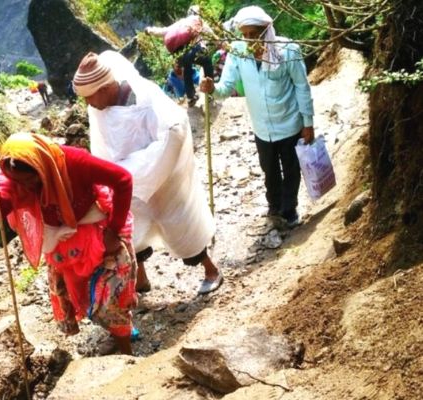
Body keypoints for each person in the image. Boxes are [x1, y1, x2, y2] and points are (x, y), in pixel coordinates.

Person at [73, 51, 223, 296]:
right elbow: (102, 146)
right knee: (132, 227)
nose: (88, 104)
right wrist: (114, 176)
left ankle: (211, 270)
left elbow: (174, 129)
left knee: (179, 222)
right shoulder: (98, 109)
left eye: (90, 98)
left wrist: (142, 168)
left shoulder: (144, 97)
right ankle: (140, 278)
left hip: (162, 177)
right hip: (126, 182)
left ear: (104, 88)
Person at [0, 132, 138, 355]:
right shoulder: (13, 177)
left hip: (97, 235)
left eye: (32, 180)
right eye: (21, 182)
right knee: (84, 297)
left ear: (42, 166)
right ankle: (117, 332)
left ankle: (126, 351)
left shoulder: (73, 161)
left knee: (111, 298)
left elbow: (123, 180)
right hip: (63, 246)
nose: (29, 188)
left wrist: (114, 229)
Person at [200, 5, 315, 227]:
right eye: (245, 35)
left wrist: (308, 123)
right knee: (269, 171)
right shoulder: (238, 52)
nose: (250, 40)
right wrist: (212, 88)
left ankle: (289, 210)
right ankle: (274, 205)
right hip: (262, 129)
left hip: (290, 124)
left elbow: (302, 87)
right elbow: (225, 88)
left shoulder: (288, 50)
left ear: (266, 30)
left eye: (254, 34)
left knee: (291, 170)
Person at [145, 5, 214, 107]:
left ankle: (191, 97)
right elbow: (210, 34)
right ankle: (210, 92)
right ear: (198, 14)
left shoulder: (180, 23)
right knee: (207, 61)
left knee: (187, 67)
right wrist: (221, 44)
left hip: (178, 54)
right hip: (191, 51)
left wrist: (150, 30)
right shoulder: (197, 21)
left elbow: (162, 31)